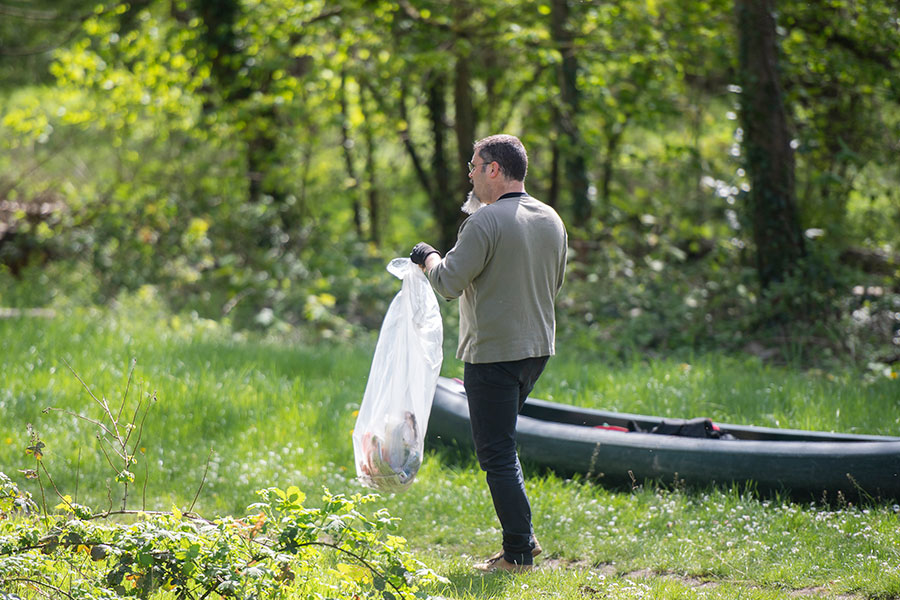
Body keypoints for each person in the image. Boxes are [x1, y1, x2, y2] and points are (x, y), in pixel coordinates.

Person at [410, 134, 567, 572]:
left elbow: (446, 283)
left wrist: (427, 256)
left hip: (493, 356)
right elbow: (554, 284)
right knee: (504, 448)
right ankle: (523, 539)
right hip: (537, 351)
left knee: (496, 454)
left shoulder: (484, 222)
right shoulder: (551, 218)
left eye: (474, 167)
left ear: (494, 169)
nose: (471, 175)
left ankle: (518, 552)